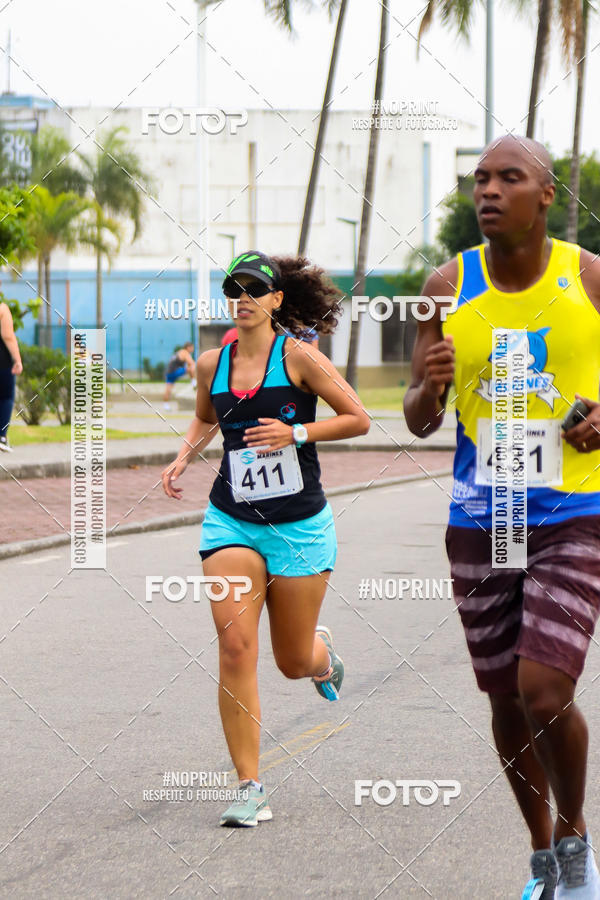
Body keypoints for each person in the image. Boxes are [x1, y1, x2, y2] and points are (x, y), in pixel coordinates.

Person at [404, 134, 600, 899]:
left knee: (544, 689)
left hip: (576, 511)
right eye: (480, 178)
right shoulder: (442, 287)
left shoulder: (587, 277)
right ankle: (543, 848)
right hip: (483, 518)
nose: (488, 190)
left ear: (544, 194)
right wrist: (430, 383)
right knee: (506, 701)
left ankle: (578, 843)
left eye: (508, 178)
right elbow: (420, 418)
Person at [162, 250, 369, 827]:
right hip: (231, 519)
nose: (243, 297)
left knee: (290, 660)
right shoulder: (211, 363)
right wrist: (183, 457)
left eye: (255, 289)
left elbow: (358, 417)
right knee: (234, 646)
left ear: (277, 300)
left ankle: (321, 659)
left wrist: (295, 430)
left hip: (300, 527)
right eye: (235, 288)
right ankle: (249, 787)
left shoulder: (299, 357)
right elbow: (208, 418)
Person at [0, 301, 23, 452]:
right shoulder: (2, 308)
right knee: (6, 397)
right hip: (2, 363)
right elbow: (8, 336)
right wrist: (18, 360)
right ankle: (1, 436)